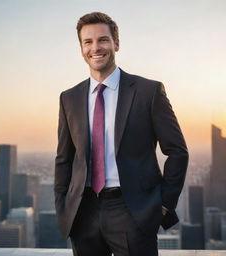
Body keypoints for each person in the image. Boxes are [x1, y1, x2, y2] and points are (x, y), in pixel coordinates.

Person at [54, 12, 188, 256]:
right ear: (81, 48)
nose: (96, 48)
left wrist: (164, 204)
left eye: (103, 40)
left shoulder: (148, 91)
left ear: (116, 43)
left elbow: (177, 152)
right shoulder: (69, 98)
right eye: (88, 42)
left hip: (132, 211)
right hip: (83, 214)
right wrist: (63, 206)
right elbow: (64, 159)